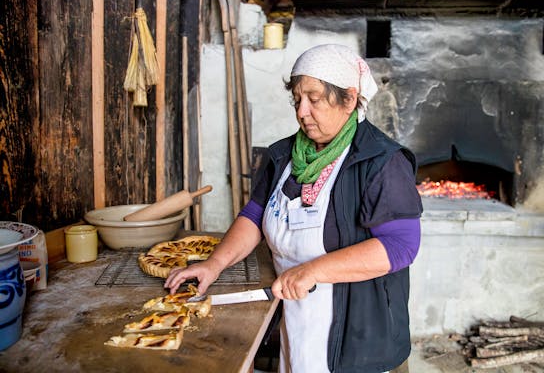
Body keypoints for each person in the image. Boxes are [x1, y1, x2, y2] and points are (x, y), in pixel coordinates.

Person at [165, 44, 423, 373]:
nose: (302, 111)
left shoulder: (381, 161)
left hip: (360, 341)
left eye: (314, 99)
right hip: (297, 321)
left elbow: (400, 246)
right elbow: (254, 217)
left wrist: (311, 270)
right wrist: (213, 265)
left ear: (348, 98)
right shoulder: (285, 155)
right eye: (297, 99)